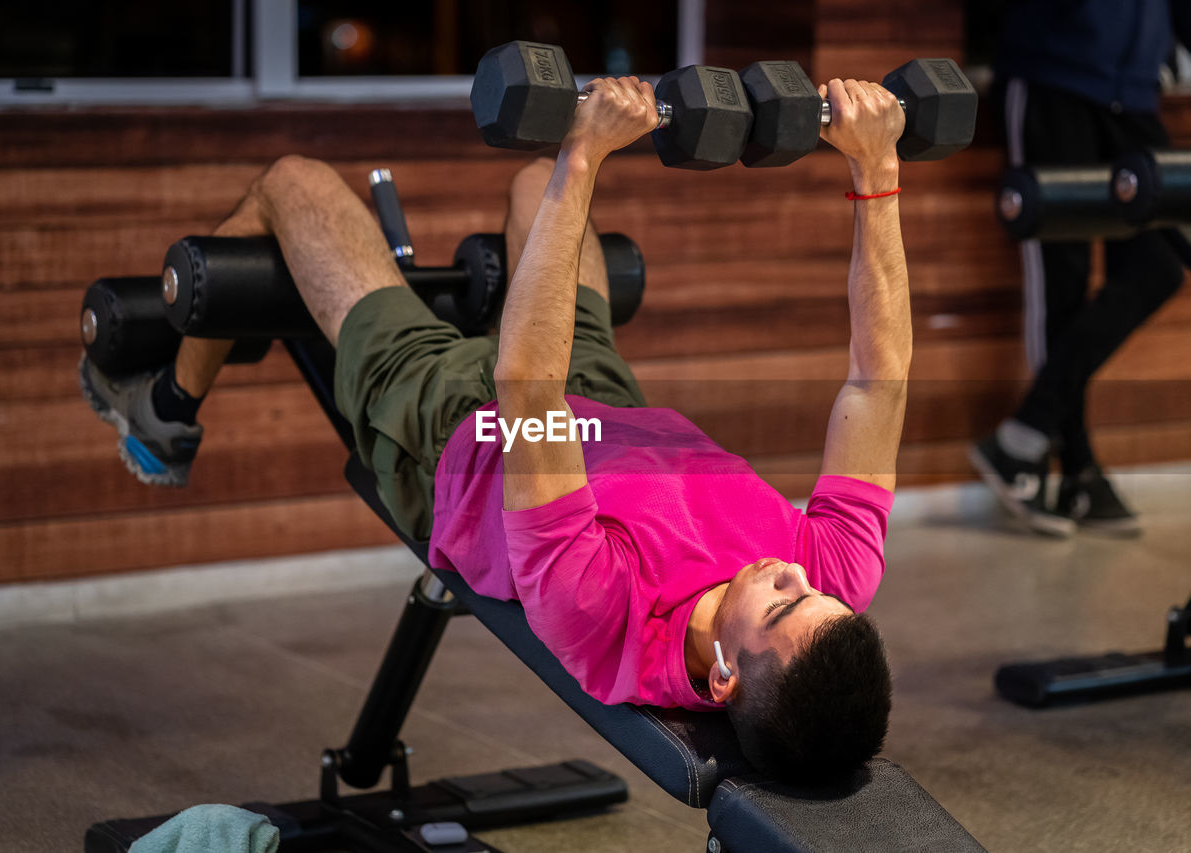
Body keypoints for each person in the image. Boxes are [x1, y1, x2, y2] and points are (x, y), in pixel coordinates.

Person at [80, 75, 909, 783]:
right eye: (818, 594)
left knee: (293, 183)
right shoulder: (831, 572)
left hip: (459, 429)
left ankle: (166, 410)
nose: (789, 571)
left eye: (779, 602)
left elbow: (524, 389)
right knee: (530, 185)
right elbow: (878, 382)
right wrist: (878, 171)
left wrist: (587, 156)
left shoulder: (603, 612)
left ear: (723, 676)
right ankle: (495, 288)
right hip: (604, 403)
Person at [970, 0, 1191, 537]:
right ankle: (1074, 469)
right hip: (1053, 82)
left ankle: (1025, 438)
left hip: (1133, 100)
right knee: (1063, 282)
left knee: (1159, 268)